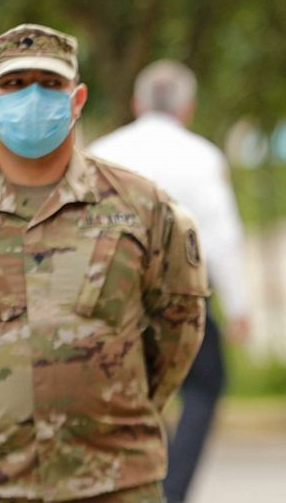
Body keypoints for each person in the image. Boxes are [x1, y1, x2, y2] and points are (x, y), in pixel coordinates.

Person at [0, 23, 208, 501]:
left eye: (50, 85)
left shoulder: (142, 206)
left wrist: (112, 408)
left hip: (114, 480)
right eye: (13, 84)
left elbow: (178, 329)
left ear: (77, 98)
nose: (32, 98)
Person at [90, 60, 250, 503]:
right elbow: (219, 236)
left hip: (113, 298)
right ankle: (171, 489)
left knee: (133, 390)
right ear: (187, 108)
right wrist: (238, 307)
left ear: (137, 103)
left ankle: (142, 482)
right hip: (184, 301)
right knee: (202, 386)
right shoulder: (202, 155)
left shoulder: (101, 153)